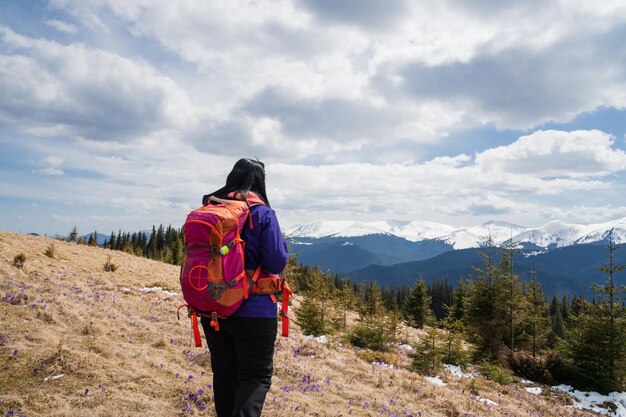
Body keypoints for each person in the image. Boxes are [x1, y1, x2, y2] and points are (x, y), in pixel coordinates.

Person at [200, 158, 289, 417]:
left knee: (225, 375)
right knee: (254, 378)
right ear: (260, 182)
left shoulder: (211, 209)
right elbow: (275, 260)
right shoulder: (262, 214)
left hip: (213, 308)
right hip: (254, 310)